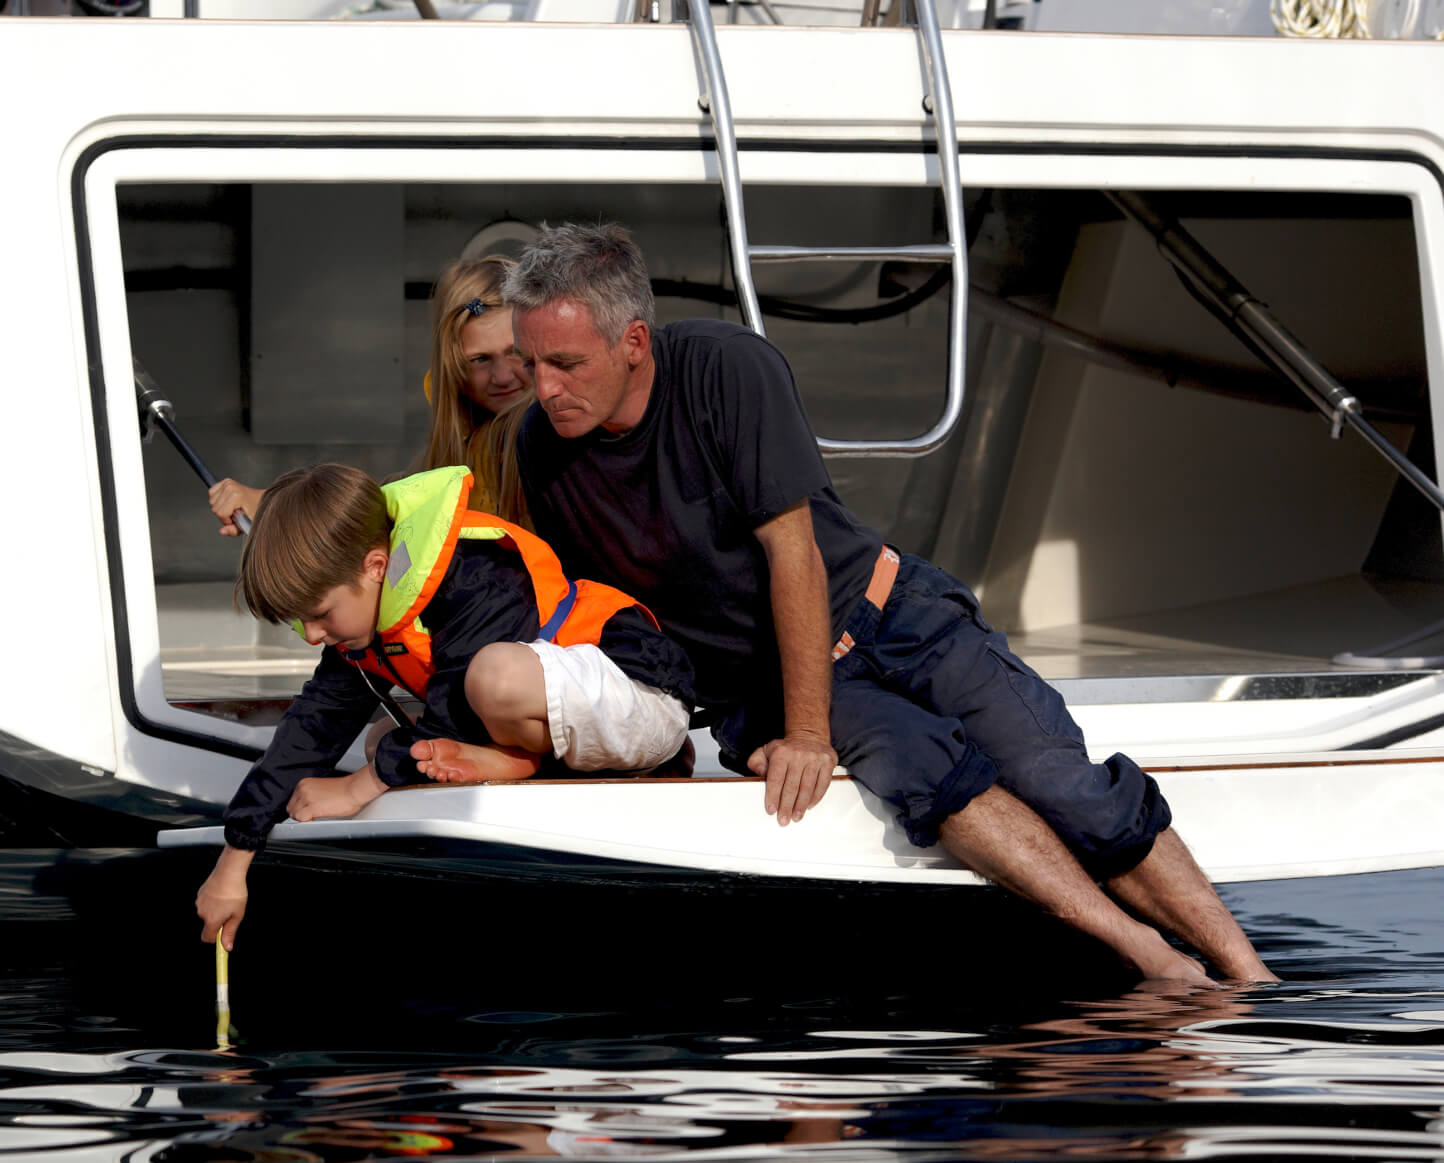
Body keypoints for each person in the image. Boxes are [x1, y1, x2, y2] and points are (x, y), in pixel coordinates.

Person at [502, 222, 1274, 988]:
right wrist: (730, 732)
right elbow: (608, 615)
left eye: (566, 364)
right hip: (777, 685)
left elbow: (793, 551)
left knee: (1059, 782)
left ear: (634, 341)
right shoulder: (539, 447)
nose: (544, 389)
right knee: (933, 778)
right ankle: (1155, 961)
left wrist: (806, 734)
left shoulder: (726, 366)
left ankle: (1249, 976)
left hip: (897, 616)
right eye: (531, 363)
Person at [193, 461, 695, 951]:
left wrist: (358, 787)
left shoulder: (474, 575)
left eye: (320, 615)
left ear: (375, 566)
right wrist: (232, 864)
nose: (314, 638)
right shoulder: (363, 619)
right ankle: (510, 758)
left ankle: (523, 760)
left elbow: (454, 707)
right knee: (379, 741)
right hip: (553, 725)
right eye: (302, 624)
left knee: (491, 678)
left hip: (642, 696)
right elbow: (309, 732)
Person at [206, 256, 535, 534]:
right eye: (480, 360)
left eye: (516, 352)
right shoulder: (460, 443)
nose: (503, 376)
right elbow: (385, 505)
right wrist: (272, 504)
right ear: (453, 370)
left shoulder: (553, 432)